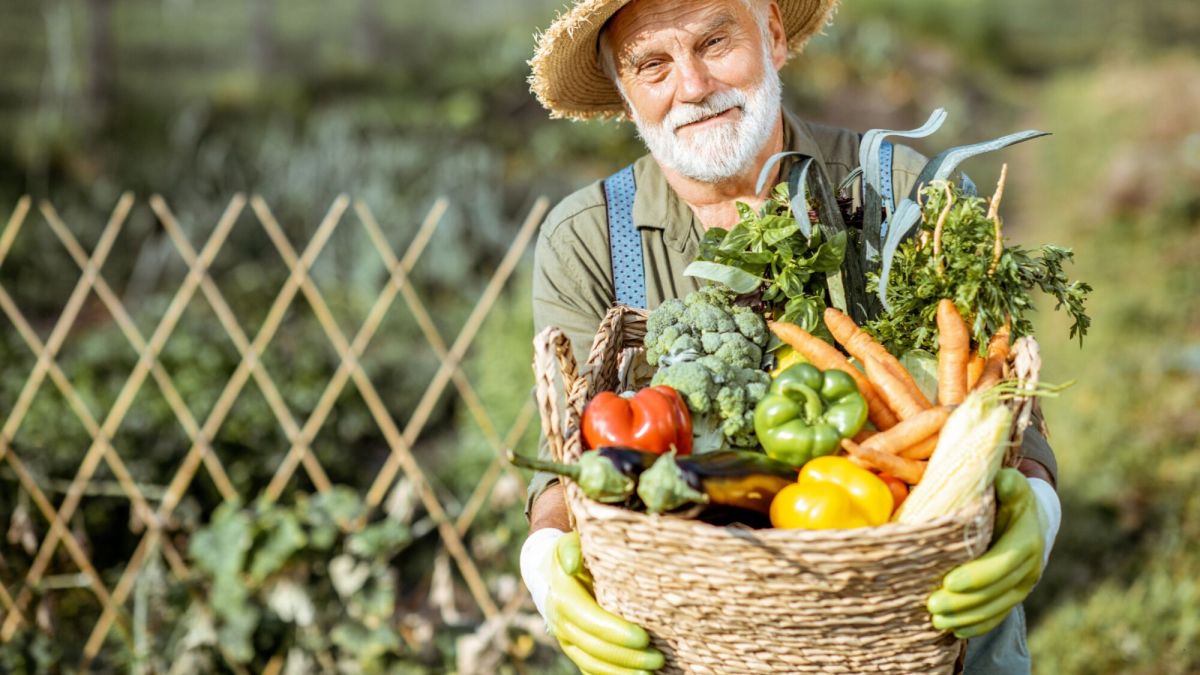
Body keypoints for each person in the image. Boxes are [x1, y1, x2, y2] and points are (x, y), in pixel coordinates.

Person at [519, 0, 1063, 672]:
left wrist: (1036, 503)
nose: (693, 86)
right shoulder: (588, 239)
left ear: (772, 35)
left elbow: (1003, 402)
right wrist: (545, 558)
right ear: (624, 92)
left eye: (715, 42)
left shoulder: (901, 190)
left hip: (918, 626)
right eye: (652, 65)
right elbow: (566, 451)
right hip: (693, 641)